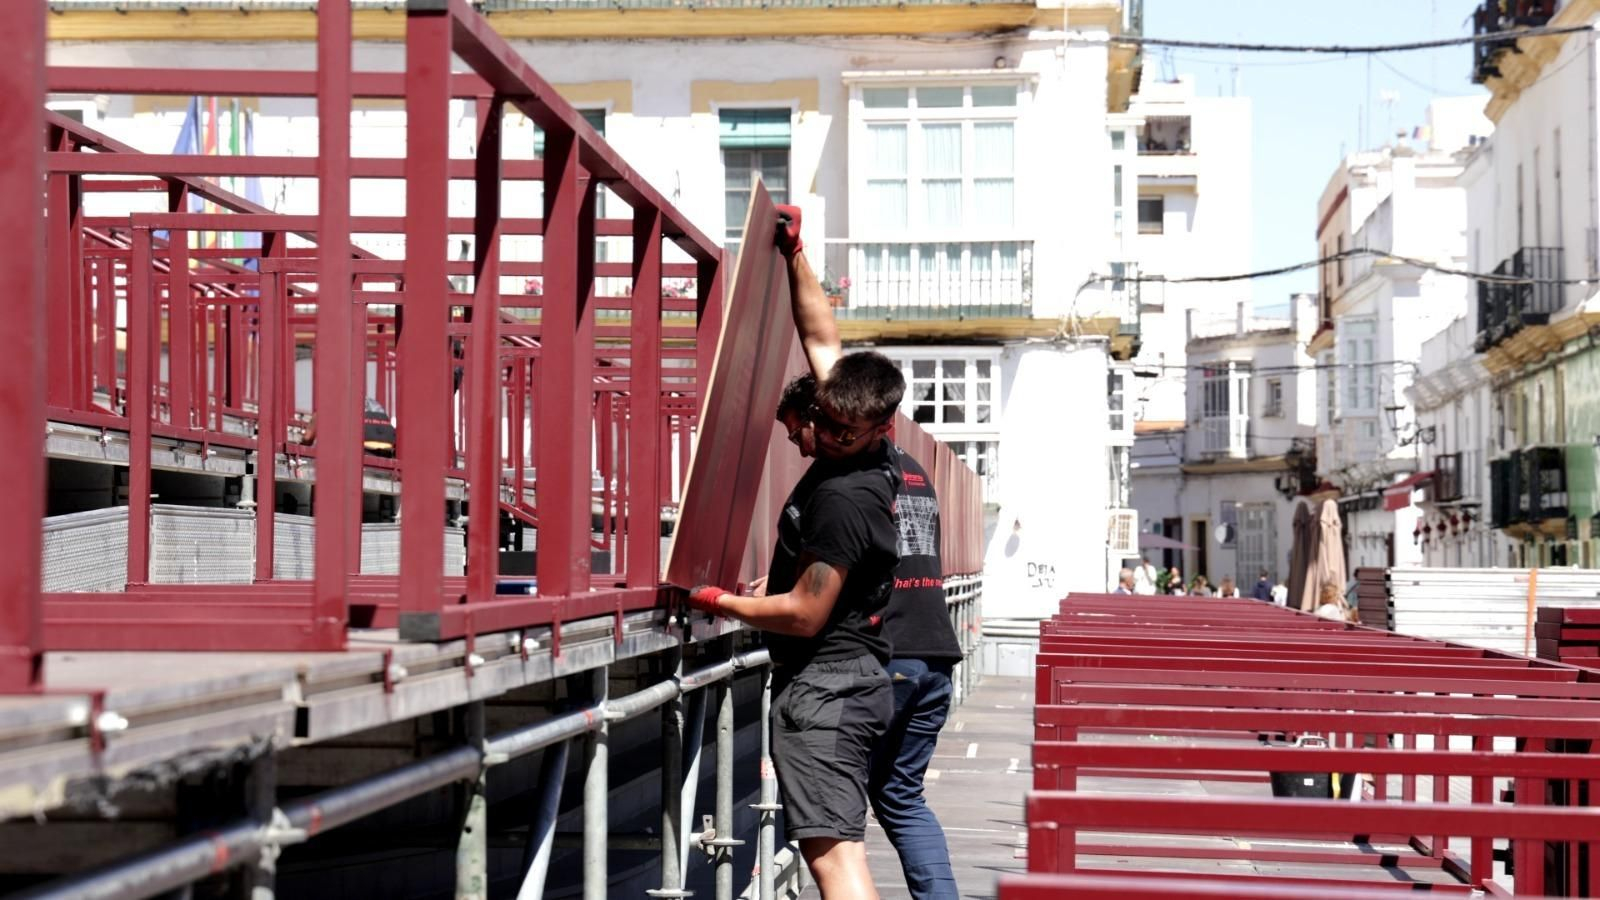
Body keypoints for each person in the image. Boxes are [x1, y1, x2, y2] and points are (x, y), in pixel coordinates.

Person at [689, 206, 903, 899]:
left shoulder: (845, 498)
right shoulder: (856, 417)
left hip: (828, 686)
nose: (830, 438)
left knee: (833, 858)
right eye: (828, 424)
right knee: (835, 851)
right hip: (847, 682)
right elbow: (819, 329)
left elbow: (807, 615)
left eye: (846, 433)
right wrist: (795, 253)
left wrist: (721, 602)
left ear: (881, 427)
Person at [776, 371, 962, 898]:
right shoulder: (910, 469)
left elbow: (837, 578)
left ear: (830, 417)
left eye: (799, 433)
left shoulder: (847, 485)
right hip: (935, 655)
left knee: (837, 825)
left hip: (881, 655)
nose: (798, 447)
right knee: (901, 796)